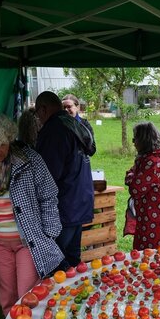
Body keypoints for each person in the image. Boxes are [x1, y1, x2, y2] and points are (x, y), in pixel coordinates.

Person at [0, 113, 65, 315]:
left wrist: (50, 231)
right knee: (7, 296)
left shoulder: (30, 160)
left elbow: (49, 195)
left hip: (28, 240)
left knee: (28, 293)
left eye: (3, 144)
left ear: (10, 139)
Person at [35, 91, 94, 269]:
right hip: (80, 199)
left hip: (64, 206)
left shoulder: (54, 130)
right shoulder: (73, 123)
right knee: (73, 257)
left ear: (43, 109)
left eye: (38, 113)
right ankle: (79, 291)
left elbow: (48, 174)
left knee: (56, 260)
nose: (38, 118)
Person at [125, 122, 160, 250]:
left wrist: (130, 176)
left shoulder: (152, 161)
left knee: (155, 252)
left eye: (135, 138)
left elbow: (135, 189)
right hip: (157, 210)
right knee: (156, 251)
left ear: (144, 140)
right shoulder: (149, 158)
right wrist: (132, 174)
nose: (133, 142)